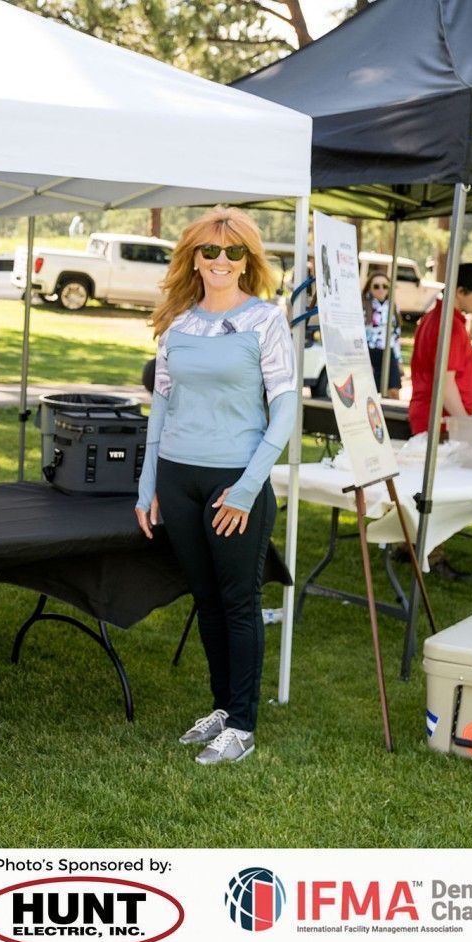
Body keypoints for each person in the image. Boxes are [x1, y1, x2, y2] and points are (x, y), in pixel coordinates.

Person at [134, 207, 295, 766]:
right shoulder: (177, 324)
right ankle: (223, 708)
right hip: (178, 480)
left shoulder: (266, 322)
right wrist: (147, 483)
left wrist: (249, 488)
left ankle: (244, 726)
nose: (221, 261)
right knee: (205, 601)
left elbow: (285, 412)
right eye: (210, 251)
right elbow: (161, 406)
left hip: (235, 481)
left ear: (248, 261)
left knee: (239, 603)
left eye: (234, 252)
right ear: (194, 258)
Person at [408, 262, 472, 435]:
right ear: (460, 292)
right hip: (441, 422)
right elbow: (445, 383)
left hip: (430, 418)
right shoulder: (451, 326)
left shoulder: (433, 317)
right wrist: (465, 423)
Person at [362, 270, 402, 399]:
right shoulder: (363, 306)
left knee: (394, 392)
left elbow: (396, 336)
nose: (381, 290)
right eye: (376, 286)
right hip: (370, 353)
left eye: (385, 286)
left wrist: (399, 360)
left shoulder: (393, 307)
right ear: (369, 288)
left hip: (388, 353)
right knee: (371, 395)